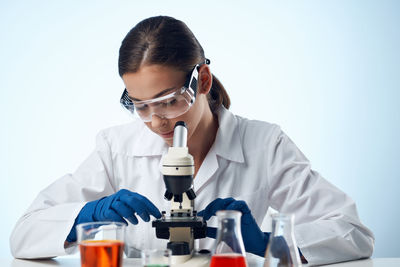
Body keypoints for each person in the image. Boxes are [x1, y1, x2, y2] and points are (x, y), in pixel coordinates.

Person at [10, 16, 374, 265]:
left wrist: (267, 243)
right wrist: (83, 217)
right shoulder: (115, 147)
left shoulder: (264, 144)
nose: (157, 122)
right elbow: (24, 235)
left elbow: (354, 234)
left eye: (170, 101)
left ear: (202, 81)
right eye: (140, 106)